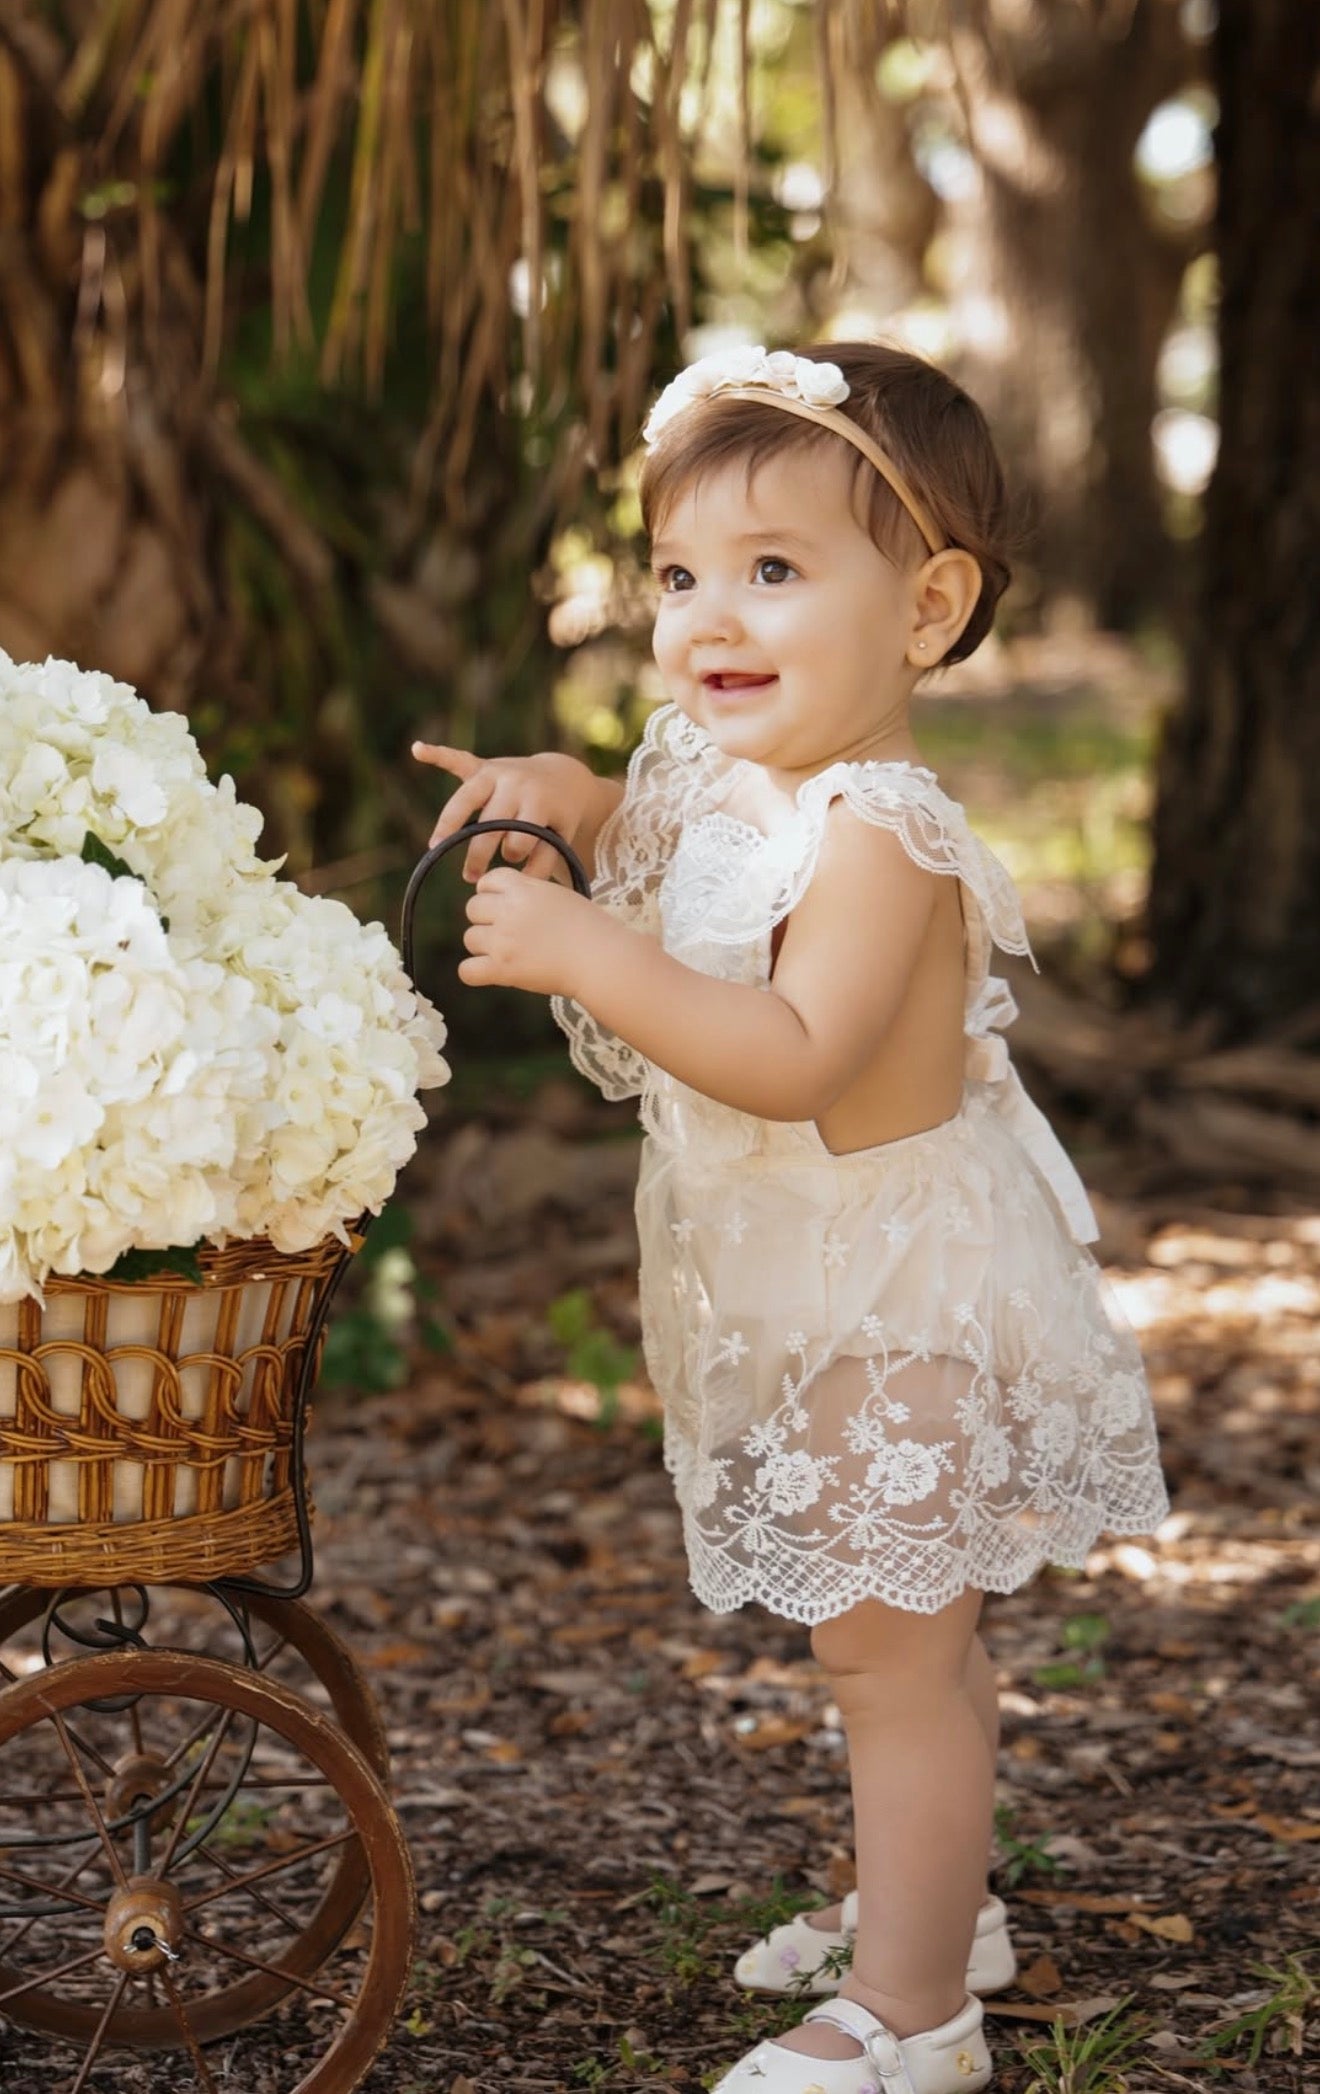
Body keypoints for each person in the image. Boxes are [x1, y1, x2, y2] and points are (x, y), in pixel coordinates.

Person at [413, 341, 1170, 2094]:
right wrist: (569, 800)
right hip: (798, 1273)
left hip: (897, 1280)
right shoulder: (719, 770)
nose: (707, 617)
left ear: (926, 607)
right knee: (903, 1636)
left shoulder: (882, 832)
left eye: (772, 569)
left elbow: (800, 1051)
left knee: (888, 1649)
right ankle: (936, 1905)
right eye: (679, 574)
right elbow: (654, 833)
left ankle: (917, 2016)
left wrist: (584, 952)